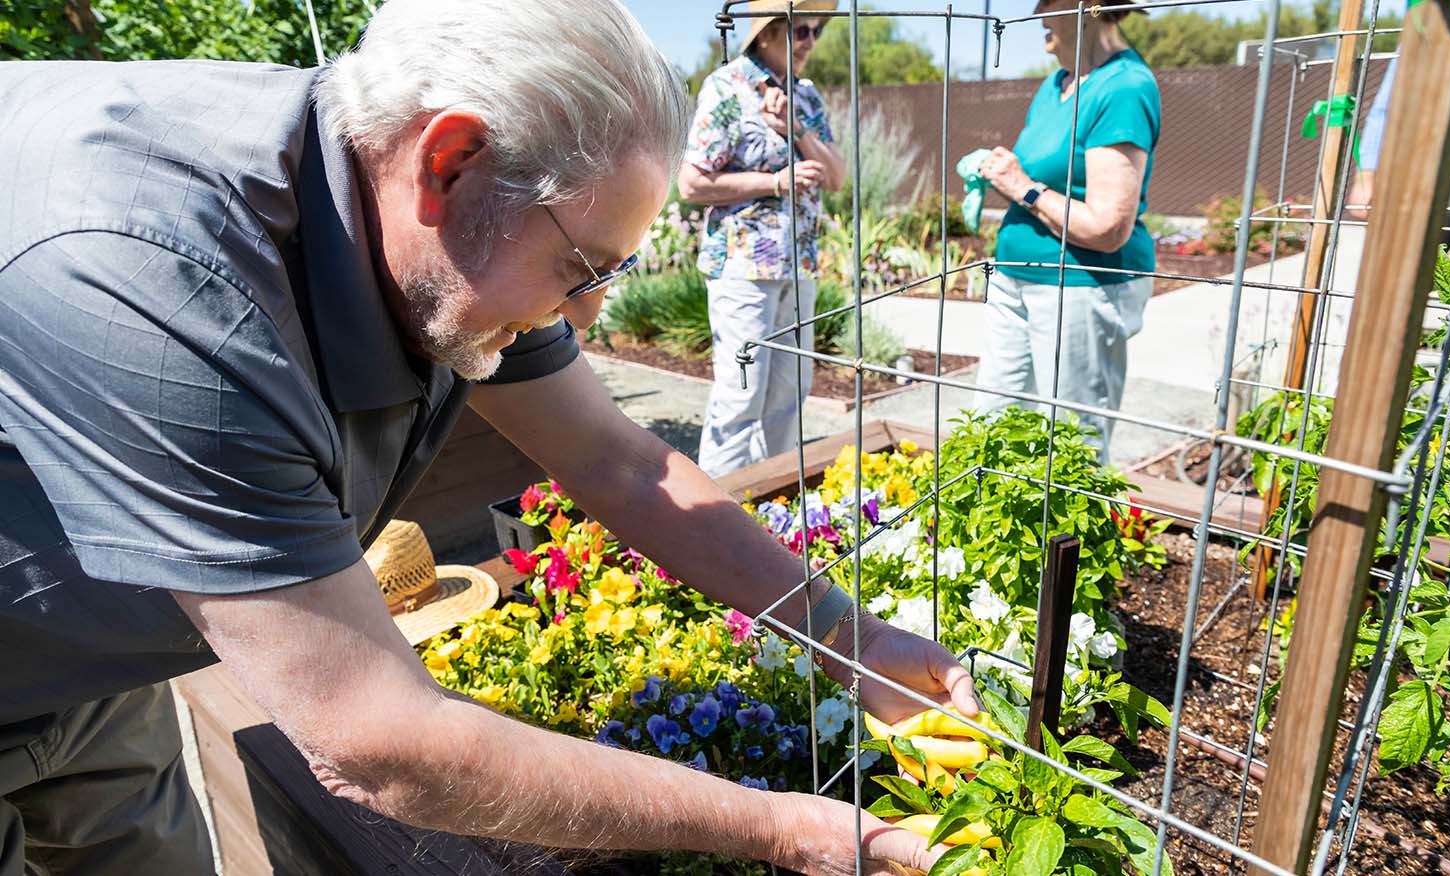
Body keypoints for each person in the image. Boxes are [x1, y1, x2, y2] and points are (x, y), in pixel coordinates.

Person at [0, 2, 975, 874]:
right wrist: (783, 831)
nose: (586, 318)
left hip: (98, 645)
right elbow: (376, 743)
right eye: (580, 265)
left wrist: (851, 637)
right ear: (449, 162)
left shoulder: (418, 205)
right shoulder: (171, 291)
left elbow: (621, 464)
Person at [975, 0, 1161, 463]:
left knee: (1072, 447)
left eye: (1047, 2)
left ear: (1089, 7)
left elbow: (1108, 227)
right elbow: (1039, 181)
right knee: (991, 430)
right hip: (1015, 279)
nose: (1037, 13)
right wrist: (1005, 177)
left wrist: (1024, 187)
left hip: (1079, 287)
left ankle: (1071, 539)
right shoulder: (1057, 85)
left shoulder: (1124, 87)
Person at [680, 0, 847, 478]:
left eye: (817, 32)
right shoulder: (728, 88)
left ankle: (776, 503)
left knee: (789, 392)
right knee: (741, 393)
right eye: (801, 31)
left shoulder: (807, 95)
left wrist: (796, 129)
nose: (811, 42)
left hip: (800, 266)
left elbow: (835, 177)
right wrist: (774, 182)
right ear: (767, 33)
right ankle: (719, 514)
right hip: (743, 268)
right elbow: (692, 183)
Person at [1346, 55, 1450, 255]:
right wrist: (1366, 176)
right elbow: (1388, 106)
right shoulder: (1431, 27)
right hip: (1420, 179)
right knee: (1402, 276)